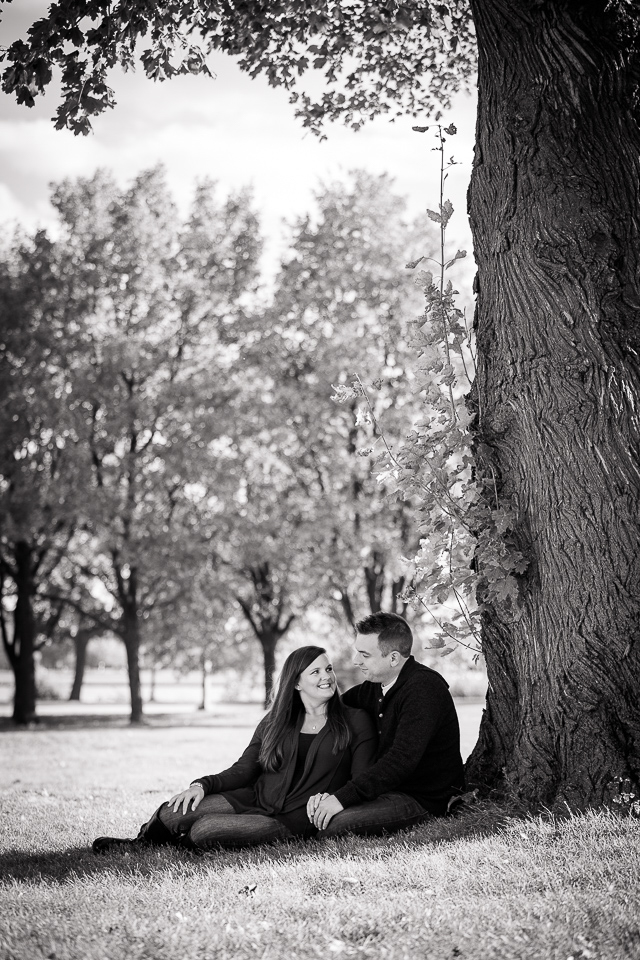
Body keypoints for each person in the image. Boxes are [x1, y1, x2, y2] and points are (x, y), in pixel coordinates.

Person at [93, 645, 376, 854]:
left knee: (205, 829)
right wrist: (202, 785)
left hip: (293, 819)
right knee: (173, 811)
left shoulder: (354, 720)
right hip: (254, 798)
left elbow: (361, 777)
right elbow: (244, 768)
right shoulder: (275, 722)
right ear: (297, 682)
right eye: (315, 671)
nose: (326, 676)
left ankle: (186, 841)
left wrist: (334, 798)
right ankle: (140, 844)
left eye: (328, 669)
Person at [306, 612, 465, 837]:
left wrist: (342, 798)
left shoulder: (423, 689)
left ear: (393, 658)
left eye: (364, 655)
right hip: (387, 788)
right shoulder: (375, 686)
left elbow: (400, 761)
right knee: (315, 815)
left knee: (332, 825)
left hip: (423, 797)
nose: (356, 661)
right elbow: (336, 708)